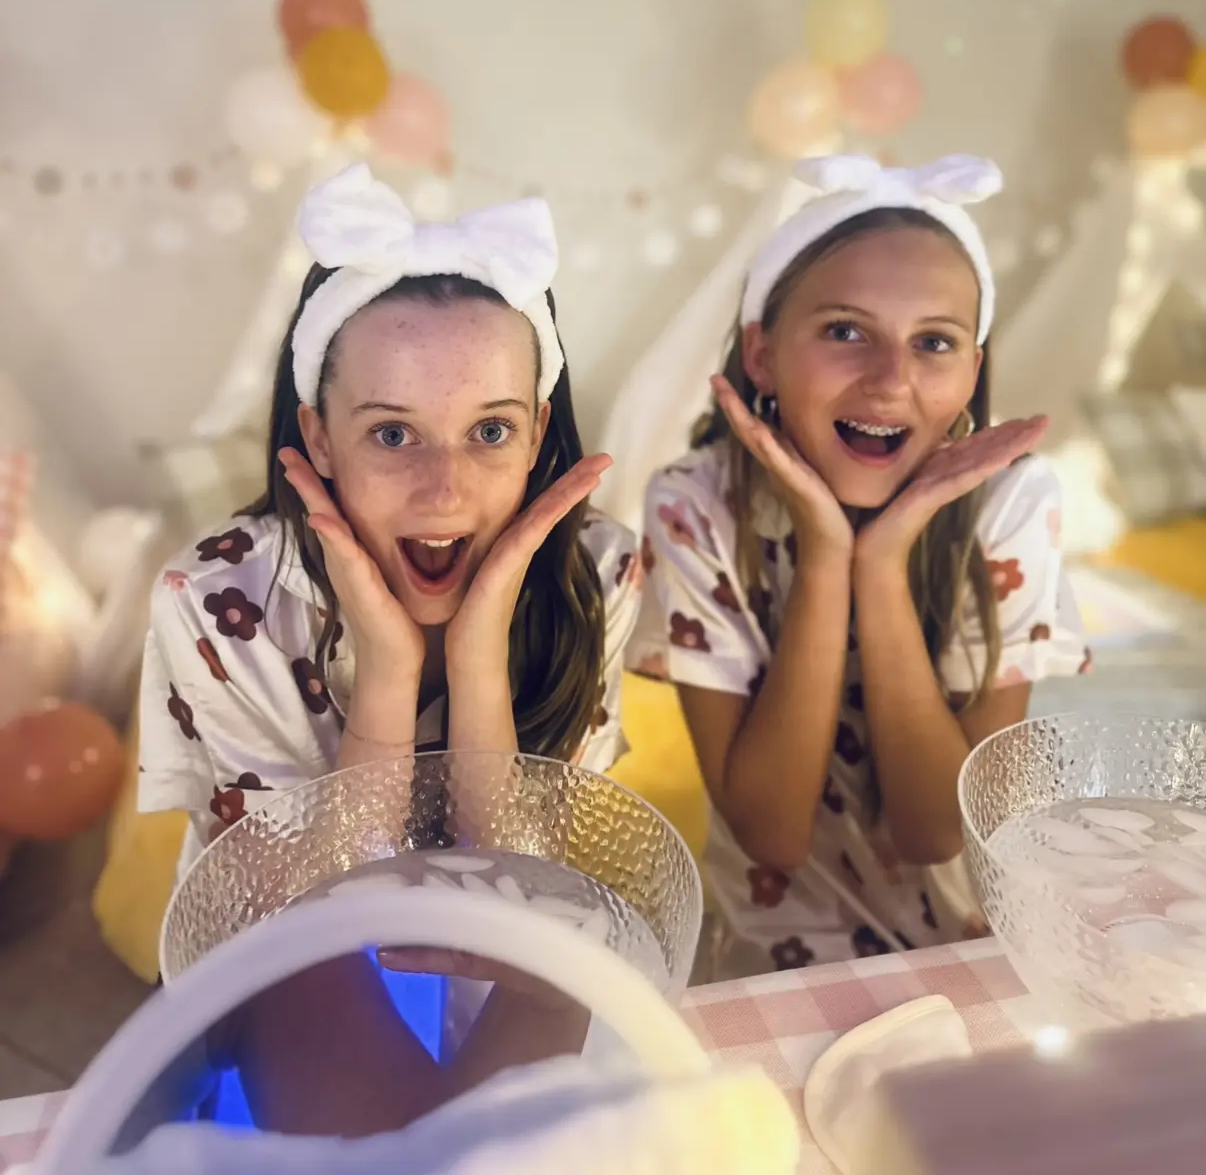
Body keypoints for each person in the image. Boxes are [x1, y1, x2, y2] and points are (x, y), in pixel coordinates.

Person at [136, 163, 640, 1132]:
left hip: (504, 932)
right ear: (319, 440)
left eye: (489, 431)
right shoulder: (216, 599)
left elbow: (529, 893)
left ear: (539, 434)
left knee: (524, 1107)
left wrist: (483, 656)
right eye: (394, 435)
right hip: (285, 938)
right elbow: (316, 925)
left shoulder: (601, 573)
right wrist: (392, 677)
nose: (445, 493)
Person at [628, 154, 1089, 978]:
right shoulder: (693, 503)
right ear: (762, 355)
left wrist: (881, 569)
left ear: (972, 371)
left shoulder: (1008, 505)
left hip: (972, 942)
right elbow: (773, 833)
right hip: (768, 955)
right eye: (846, 331)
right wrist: (824, 561)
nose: (890, 381)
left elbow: (937, 832)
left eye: (934, 343)